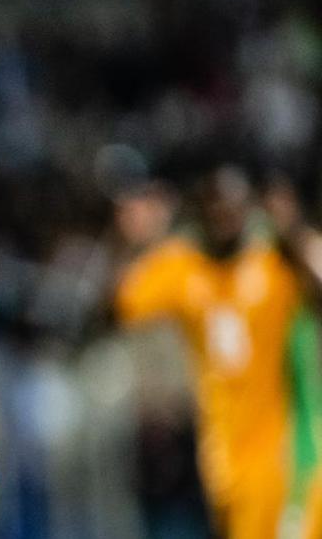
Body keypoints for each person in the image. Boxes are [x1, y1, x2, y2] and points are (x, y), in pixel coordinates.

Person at [113, 165, 322, 538]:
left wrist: (290, 229)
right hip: (221, 464)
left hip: (289, 459)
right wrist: (134, 239)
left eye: (233, 206)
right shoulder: (184, 266)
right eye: (213, 207)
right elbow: (114, 306)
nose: (223, 215)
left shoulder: (277, 264)